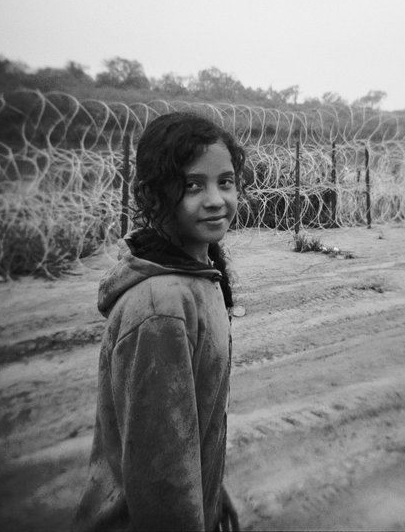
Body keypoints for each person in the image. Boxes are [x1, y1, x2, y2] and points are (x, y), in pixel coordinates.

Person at [73, 111, 245, 532]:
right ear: (152, 197)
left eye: (225, 181)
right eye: (192, 185)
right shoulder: (161, 306)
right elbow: (162, 475)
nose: (215, 199)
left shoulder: (196, 279)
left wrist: (211, 491)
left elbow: (184, 433)